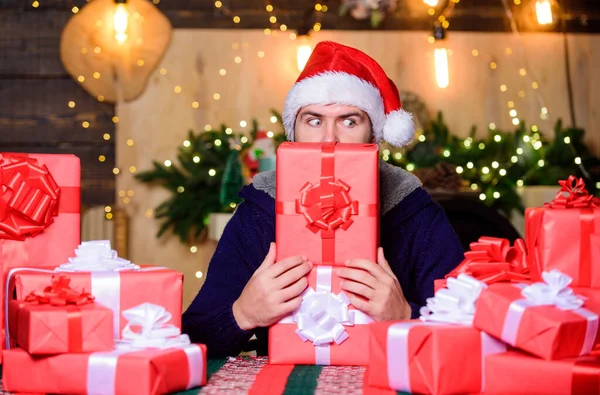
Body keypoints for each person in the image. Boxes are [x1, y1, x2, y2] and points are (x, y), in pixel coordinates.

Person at [182, 41, 464, 357]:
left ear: (373, 137)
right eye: (314, 121)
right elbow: (192, 336)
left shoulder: (418, 216)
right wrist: (243, 314)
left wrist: (405, 316)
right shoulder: (258, 214)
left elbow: (466, 339)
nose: (329, 138)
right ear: (294, 133)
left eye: (349, 120)